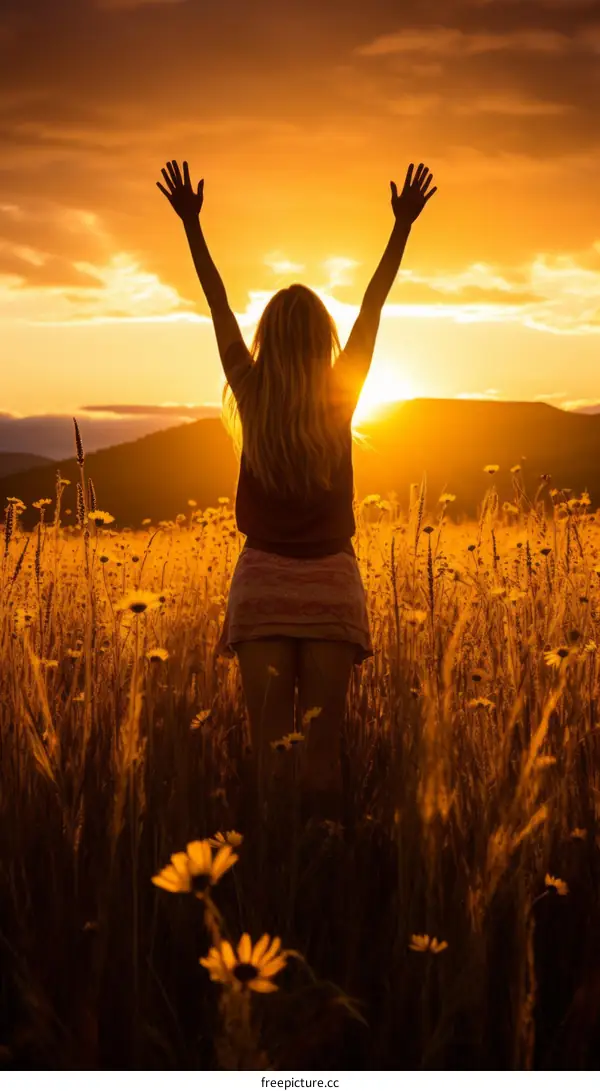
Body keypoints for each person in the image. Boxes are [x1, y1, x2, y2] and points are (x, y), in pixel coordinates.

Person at [157, 159, 437, 818]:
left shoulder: (251, 395)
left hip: (261, 585)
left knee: (269, 758)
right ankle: (327, 891)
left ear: (267, 340)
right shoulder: (340, 399)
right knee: (321, 759)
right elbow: (374, 304)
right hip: (331, 584)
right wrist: (401, 229)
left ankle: (273, 888)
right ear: (323, 341)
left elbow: (216, 303)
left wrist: (192, 226)